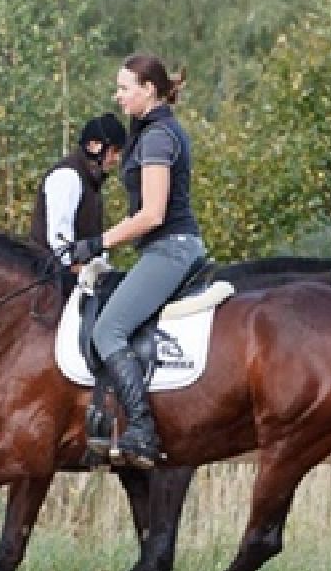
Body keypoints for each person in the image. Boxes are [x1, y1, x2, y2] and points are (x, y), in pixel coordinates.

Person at [68, 53, 207, 469]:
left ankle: (142, 429)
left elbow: (152, 214)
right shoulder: (150, 133)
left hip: (171, 249)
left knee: (108, 329)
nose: (118, 95)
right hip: (164, 249)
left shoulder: (158, 138)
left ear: (149, 89)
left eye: (125, 88)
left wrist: (96, 244)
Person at [30, 112, 127, 261]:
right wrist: (77, 268)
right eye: (114, 151)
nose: (117, 158)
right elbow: (59, 240)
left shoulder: (90, 179)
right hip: (52, 277)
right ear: (94, 146)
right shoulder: (67, 176)